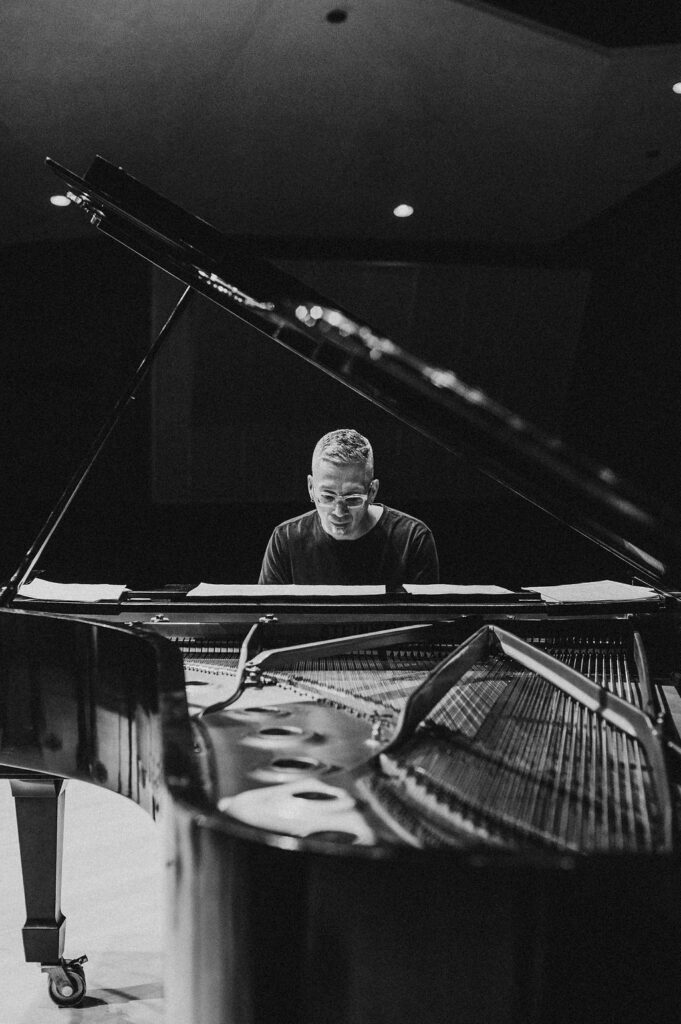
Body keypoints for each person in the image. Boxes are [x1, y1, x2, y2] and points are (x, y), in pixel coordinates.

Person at [259, 428, 439, 585]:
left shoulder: (412, 539)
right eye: (327, 497)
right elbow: (267, 614)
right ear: (311, 488)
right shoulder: (285, 539)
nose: (339, 512)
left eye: (352, 499)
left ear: (372, 491)